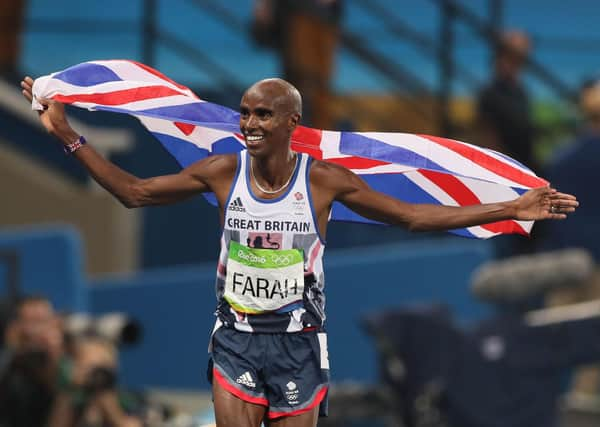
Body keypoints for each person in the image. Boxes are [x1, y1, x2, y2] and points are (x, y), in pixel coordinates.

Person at [20, 75, 578, 427]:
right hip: (236, 339)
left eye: (263, 115)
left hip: (299, 346)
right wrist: (68, 135)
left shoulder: (325, 182)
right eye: (244, 113)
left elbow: (413, 216)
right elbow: (134, 193)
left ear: (292, 123)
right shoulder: (221, 171)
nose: (249, 124)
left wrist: (507, 208)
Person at [0, 295, 66, 427]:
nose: (39, 330)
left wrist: (56, 356)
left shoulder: (67, 356)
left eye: (44, 321)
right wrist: (12, 350)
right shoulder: (12, 371)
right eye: (32, 322)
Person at [476, 30, 536, 172]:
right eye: (514, 56)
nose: (519, 63)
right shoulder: (491, 94)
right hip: (503, 170)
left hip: (523, 167)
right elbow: (488, 138)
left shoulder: (520, 92)